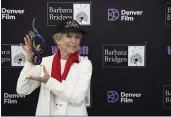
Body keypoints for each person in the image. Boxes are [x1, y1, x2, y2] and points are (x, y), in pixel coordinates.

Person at [16, 19, 93, 116]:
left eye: (77, 37)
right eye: (69, 36)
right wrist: (29, 62)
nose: (74, 41)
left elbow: (77, 98)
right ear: (58, 40)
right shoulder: (45, 62)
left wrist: (48, 81)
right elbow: (23, 90)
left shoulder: (85, 64)